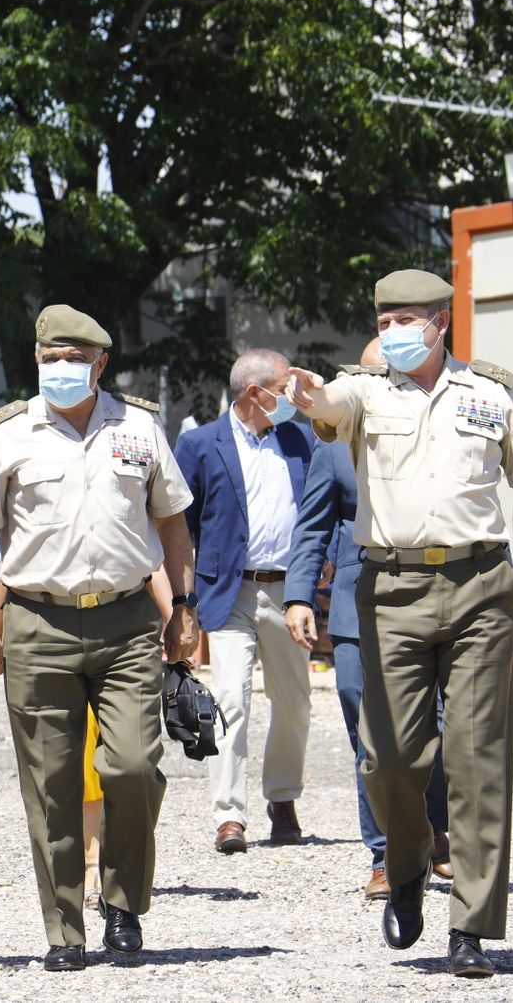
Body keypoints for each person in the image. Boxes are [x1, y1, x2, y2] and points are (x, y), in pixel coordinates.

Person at [286, 269, 513, 978]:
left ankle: (472, 927)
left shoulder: (491, 394)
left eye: (406, 319)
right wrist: (310, 395)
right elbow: (328, 405)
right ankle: (407, 864)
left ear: (439, 322)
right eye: (383, 319)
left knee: (478, 753)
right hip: (389, 586)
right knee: (388, 754)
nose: (392, 331)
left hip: (479, 582)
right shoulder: (364, 391)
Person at [0, 305, 198, 972]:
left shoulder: (140, 426)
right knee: (52, 784)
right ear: (36, 361)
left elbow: (171, 521)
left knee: (133, 767)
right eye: (49, 358)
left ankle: (123, 901)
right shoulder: (7, 432)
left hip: (125, 620)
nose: (59, 369)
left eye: (72, 358)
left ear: (100, 363)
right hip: (38, 621)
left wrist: (183, 608)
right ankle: (65, 930)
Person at [283, 339, 451, 900]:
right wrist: (300, 597)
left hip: (436, 600)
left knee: (437, 726)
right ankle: (384, 854)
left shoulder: (442, 427)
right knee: (370, 736)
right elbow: (311, 526)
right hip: (359, 606)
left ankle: (437, 834)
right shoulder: (333, 446)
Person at [174, 349, 316, 853]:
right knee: (230, 699)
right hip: (228, 592)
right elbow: (178, 527)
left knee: (295, 704)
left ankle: (282, 798)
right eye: (286, 386)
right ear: (255, 393)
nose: (294, 396)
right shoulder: (198, 444)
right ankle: (229, 815)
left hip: (289, 592)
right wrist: (181, 601)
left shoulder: (301, 439)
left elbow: (321, 508)